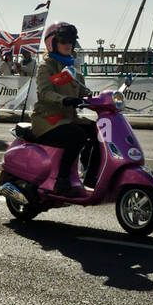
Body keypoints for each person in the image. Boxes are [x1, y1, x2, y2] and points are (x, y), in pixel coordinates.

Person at [28, 22, 96, 196]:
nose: (68, 45)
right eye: (64, 41)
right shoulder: (46, 66)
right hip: (48, 120)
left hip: (67, 119)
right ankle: (62, 180)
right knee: (77, 135)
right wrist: (65, 100)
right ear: (52, 43)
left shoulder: (72, 67)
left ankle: (91, 175)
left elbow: (83, 90)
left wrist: (99, 98)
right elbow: (44, 93)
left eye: (71, 41)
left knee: (98, 130)